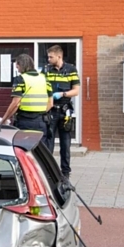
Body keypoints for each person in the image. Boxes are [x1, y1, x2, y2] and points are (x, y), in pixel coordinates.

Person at [42, 45, 80, 182]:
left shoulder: (71, 70)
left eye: (51, 56)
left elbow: (76, 91)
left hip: (65, 111)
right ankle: (48, 172)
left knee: (65, 144)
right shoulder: (46, 70)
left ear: (59, 56)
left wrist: (62, 94)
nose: (48, 59)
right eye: (48, 56)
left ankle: (65, 174)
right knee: (48, 144)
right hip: (50, 110)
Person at [2, 53, 52, 133]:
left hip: (25, 121)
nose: (17, 70)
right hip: (41, 122)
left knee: (23, 145)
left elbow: (15, 104)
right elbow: (50, 103)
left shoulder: (20, 79)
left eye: (17, 67)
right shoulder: (44, 78)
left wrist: (4, 120)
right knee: (41, 145)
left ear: (21, 65)